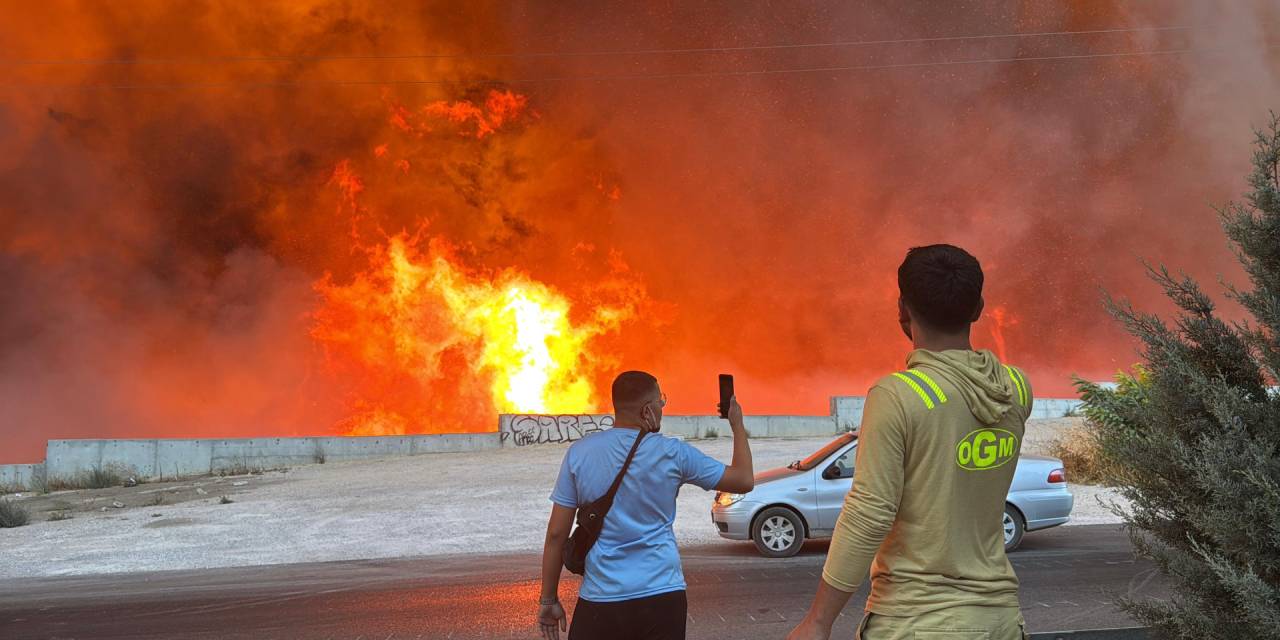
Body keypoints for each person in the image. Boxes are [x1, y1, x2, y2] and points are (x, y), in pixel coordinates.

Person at [788, 244, 1032, 640]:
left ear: (902, 309)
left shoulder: (899, 396)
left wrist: (818, 621)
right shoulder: (1016, 388)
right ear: (978, 307)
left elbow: (869, 513)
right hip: (1000, 620)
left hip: (917, 622)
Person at [537, 371, 754, 640]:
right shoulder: (673, 453)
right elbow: (743, 479)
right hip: (662, 596)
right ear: (647, 411)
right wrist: (737, 425)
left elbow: (557, 534)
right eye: (660, 401)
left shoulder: (580, 453)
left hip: (601, 600)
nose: (662, 407)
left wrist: (548, 600)